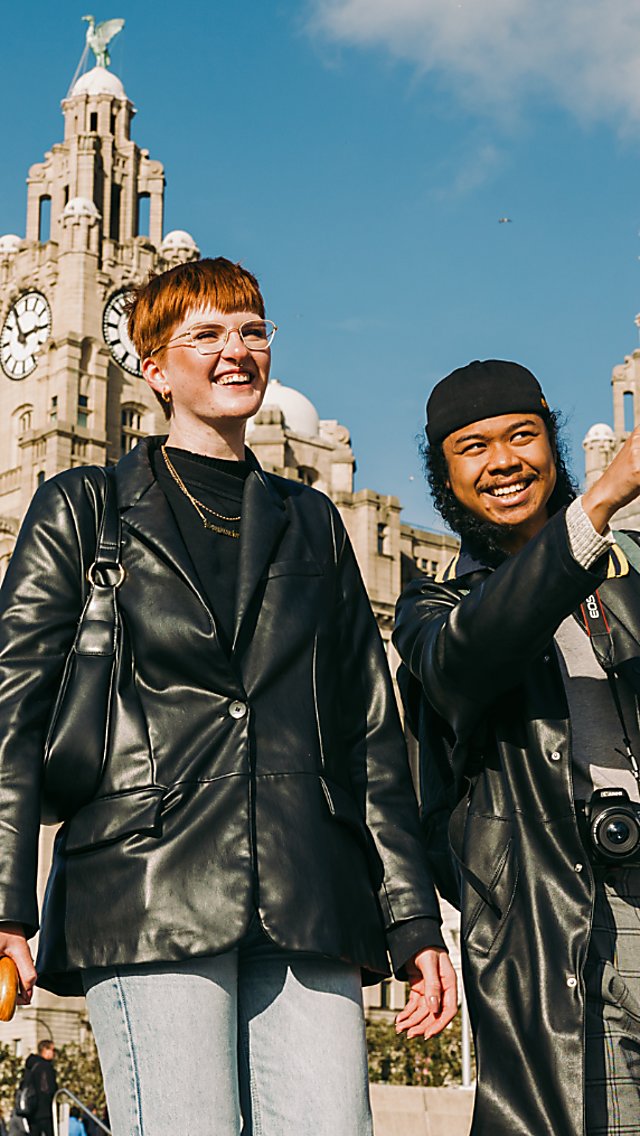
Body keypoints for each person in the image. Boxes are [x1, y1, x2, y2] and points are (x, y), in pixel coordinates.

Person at [0, 257, 456, 1136]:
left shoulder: (315, 520)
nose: (235, 350)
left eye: (251, 330)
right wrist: (7, 903)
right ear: (154, 367)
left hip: (307, 891)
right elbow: (13, 712)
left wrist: (411, 918)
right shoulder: (82, 507)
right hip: (145, 885)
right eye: (204, 334)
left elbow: (371, 736)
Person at [394, 359, 640, 1136]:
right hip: (564, 921)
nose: (503, 461)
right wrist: (597, 504)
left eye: (521, 436)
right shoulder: (435, 604)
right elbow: (469, 659)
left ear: (552, 443)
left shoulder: (630, 568)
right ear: (443, 474)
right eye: (472, 448)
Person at [21, 1041, 56, 1136]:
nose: (54, 1053)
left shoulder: (31, 1066)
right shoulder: (45, 1066)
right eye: (52, 1050)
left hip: (31, 1109)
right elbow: (47, 1088)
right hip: (45, 1110)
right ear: (45, 1050)